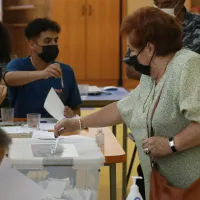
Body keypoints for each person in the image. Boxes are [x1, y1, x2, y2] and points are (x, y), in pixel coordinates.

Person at [54, 7, 200, 200]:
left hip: (189, 187)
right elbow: (123, 108)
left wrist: (171, 144)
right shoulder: (151, 74)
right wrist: (78, 123)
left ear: (150, 48)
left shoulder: (188, 65)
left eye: (132, 49)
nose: (129, 55)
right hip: (160, 185)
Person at [4, 18, 82, 118]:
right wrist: (42, 74)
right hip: (23, 128)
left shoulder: (66, 71)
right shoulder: (18, 65)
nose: (53, 44)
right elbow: (9, 78)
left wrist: (71, 114)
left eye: (56, 40)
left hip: (56, 129)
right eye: (47, 41)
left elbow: (77, 110)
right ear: (32, 44)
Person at [124, 0, 200, 80]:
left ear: (180, 2)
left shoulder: (197, 24)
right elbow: (130, 70)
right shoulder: (146, 25)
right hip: (155, 89)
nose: (160, 9)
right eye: (156, 3)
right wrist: (161, 75)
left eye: (167, 4)